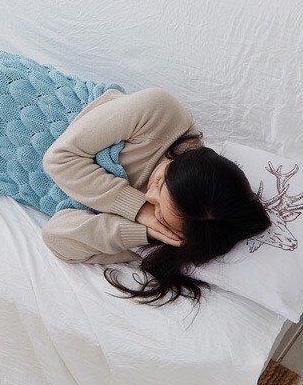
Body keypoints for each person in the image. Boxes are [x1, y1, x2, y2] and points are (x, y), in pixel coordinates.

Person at [41, 87, 271, 304]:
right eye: (161, 183)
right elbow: (58, 159)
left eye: (159, 211)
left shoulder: (162, 235)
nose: (149, 196)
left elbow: (56, 238)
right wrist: (139, 208)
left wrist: (139, 231)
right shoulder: (161, 113)